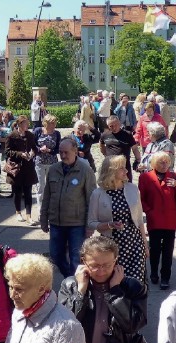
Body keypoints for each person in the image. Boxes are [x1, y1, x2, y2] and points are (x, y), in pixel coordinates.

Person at [59, 236, 148, 343]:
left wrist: (115, 292)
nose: (101, 271)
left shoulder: (132, 287)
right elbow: (65, 326)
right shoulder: (69, 285)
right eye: (94, 266)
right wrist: (80, 292)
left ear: (116, 260)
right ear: (83, 261)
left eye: (107, 265)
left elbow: (133, 324)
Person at [4, 254, 89, 343]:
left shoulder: (65, 327)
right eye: (10, 286)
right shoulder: (18, 313)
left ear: (41, 289)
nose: (12, 295)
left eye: (19, 289)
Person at [40, 138, 97, 278]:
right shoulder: (54, 170)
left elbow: (92, 199)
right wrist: (43, 217)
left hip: (76, 224)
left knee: (76, 260)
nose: (63, 156)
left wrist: (90, 225)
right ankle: (70, 279)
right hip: (56, 223)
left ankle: (77, 289)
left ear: (75, 151)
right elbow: (46, 195)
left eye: (66, 152)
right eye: (60, 152)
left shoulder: (85, 171)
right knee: (55, 256)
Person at [88, 155, 148, 282]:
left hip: (134, 243)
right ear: (111, 171)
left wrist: (145, 244)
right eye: (122, 168)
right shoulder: (98, 194)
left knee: (136, 282)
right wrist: (109, 225)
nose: (126, 171)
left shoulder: (132, 188)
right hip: (111, 247)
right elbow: (91, 222)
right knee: (116, 282)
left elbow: (139, 219)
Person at [139, 151, 176, 289]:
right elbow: (142, 198)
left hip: (170, 218)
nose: (164, 165)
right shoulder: (145, 177)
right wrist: (148, 211)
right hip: (155, 218)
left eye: (166, 162)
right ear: (154, 164)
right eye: (161, 162)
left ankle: (165, 277)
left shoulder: (174, 176)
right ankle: (153, 273)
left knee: (168, 251)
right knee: (155, 248)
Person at [5, 115, 39, 225]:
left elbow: (34, 147)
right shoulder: (11, 136)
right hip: (16, 168)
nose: (27, 125)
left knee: (28, 192)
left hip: (28, 168)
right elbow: (7, 152)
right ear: (19, 124)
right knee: (18, 192)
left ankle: (29, 216)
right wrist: (20, 154)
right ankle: (18, 212)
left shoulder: (30, 135)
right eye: (25, 123)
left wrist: (33, 153)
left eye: (27, 123)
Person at [33, 113, 61, 213]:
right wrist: (40, 149)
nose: (53, 125)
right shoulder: (38, 131)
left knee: (52, 186)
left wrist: (50, 151)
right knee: (40, 186)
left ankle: (52, 208)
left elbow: (58, 148)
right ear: (46, 123)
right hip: (39, 162)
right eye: (51, 123)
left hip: (52, 163)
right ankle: (41, 210)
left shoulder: (56, 133)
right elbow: (32, 144)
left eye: (54, 123)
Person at [100, 116, 141, 182]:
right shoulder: (105, 135)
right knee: (111, 183)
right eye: (111, 126)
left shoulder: (127, 134)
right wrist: (105, 155)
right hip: (111, 164)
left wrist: (138, 160)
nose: (114, 127)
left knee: (126, 184)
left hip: (124, 164)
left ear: (119, 123)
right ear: (108, 126)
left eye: (116, 125)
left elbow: (135, 148)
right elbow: (101, 145)